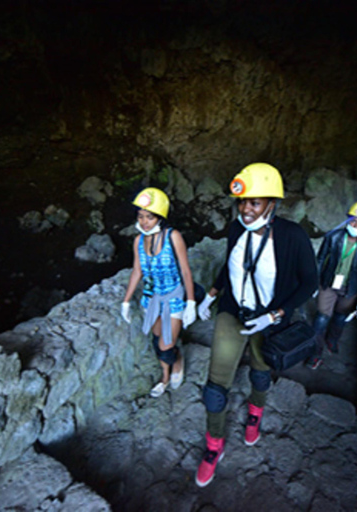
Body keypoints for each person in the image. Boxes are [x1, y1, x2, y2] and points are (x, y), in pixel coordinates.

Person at [194, 163, 317, 487]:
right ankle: (213, 445)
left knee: (260, 373)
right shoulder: (237, 228)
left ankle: (255, 413)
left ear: (272, 204)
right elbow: (231, 264)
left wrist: (276, 314)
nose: (246, 209)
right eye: (242, 202)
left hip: (269, 319)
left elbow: (310, 284)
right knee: (215, 389)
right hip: (233, 312)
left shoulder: (293, 236)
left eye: (255, 202)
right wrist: (211, 294)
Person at [121, 187, 197, 398]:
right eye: (141, 216)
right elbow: (137, 271)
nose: (144, 222)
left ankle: (177, 359)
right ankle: (165, 375)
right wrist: (126, 302)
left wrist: (190, 302)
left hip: (172, 297)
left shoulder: (173, 237)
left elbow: (185, 271)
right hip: (150, 298)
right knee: (157, 339)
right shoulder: (138, 241)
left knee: (166, 344)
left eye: (150, 217)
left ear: (160, 217)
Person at [306, 201, 357, 370]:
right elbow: (320, 260)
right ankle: (315, 354)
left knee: (340, 317)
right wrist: (313, 283)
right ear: (348, 219)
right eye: (354, 220)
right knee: (321, 318)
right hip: (329, 284)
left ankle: (332, 340)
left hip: (350, 288)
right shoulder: (334, 237)